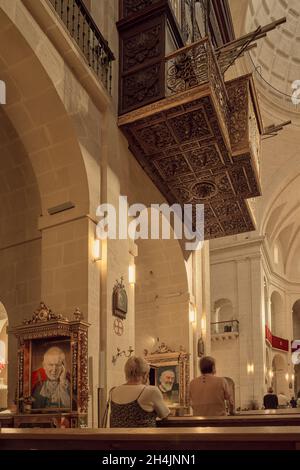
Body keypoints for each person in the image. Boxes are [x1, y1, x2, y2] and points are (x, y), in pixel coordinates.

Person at [109, 356, 170, 427]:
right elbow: (165, 415)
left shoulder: (113, 391)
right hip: (143, 437)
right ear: (145, 374)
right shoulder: (151, 391)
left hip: (116, 437)